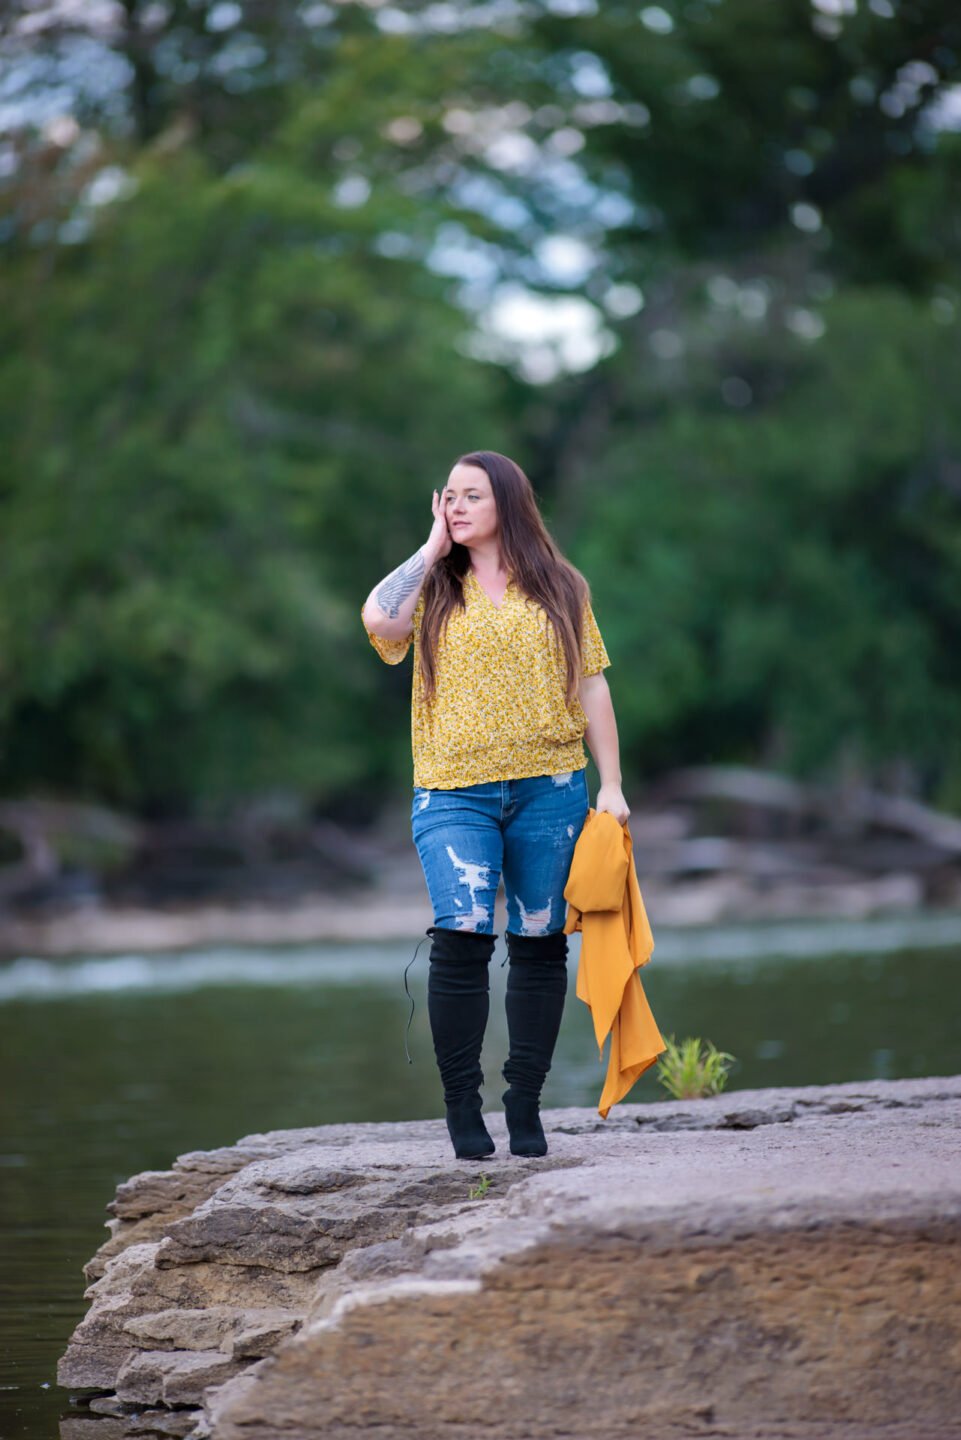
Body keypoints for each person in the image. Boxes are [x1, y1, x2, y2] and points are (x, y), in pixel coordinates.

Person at [361, 450, 629, 1160]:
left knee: (538, 945)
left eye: (470, 495)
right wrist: (428, 549)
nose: (454, 505)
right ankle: (461, 1107)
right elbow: (378, 624)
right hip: (454, 794)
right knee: (462, 936)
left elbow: (592, 686)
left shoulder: (562, 588)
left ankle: (525, 1102)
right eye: (446, 495)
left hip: (550, 790)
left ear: (507, 503)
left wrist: (611, 785)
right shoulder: (432, 588)